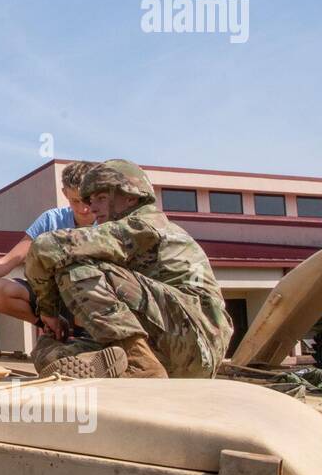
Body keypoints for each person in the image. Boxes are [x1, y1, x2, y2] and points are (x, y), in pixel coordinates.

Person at [24, 160, 234, 379]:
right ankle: (130, 360)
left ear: (131, 197)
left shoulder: (145, 224)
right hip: (170, 344)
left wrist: (48, 311)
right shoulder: (127, 231)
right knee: (47, 355)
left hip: (196, 339)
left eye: (101, 198)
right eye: (90, 200)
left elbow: (45, 246)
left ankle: (139, 363)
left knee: (76, 268)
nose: (92, 207)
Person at [0, 160, 98, 325]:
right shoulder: (51, 219)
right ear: (65, 193)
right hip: (53, 296)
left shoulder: (112, 222)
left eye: (87, 201)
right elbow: (11, 260)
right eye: (75, 201)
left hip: (96, 298)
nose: (83, 209)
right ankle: (48, 324)